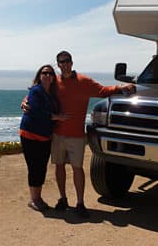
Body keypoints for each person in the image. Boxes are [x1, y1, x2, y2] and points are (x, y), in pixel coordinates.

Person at [22, 51, 136, 218]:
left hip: (76, 135)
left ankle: (80, 203)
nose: (64, 64)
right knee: (59, 167)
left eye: (67, 61)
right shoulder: (54, 82)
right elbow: (38, 92)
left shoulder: (84, 81)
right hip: (57, 134)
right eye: (61, 62)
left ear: (72, 62)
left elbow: (103, 91)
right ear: (58, 65)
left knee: (77, 169)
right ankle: (63, 199)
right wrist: (25, 100)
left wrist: (121, 87)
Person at [19, 64, 66, 212]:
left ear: (53, 78)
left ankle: (37, 198)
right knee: (34, 168)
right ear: (39, 76)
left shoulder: (52, 94)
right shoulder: (36, 90)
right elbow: (36, 112)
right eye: (44, 73)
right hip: (30, 134)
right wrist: (56, 117)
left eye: (50, 73)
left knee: (41, 168)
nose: (47, 75)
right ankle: (35, 200)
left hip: (45, 136)